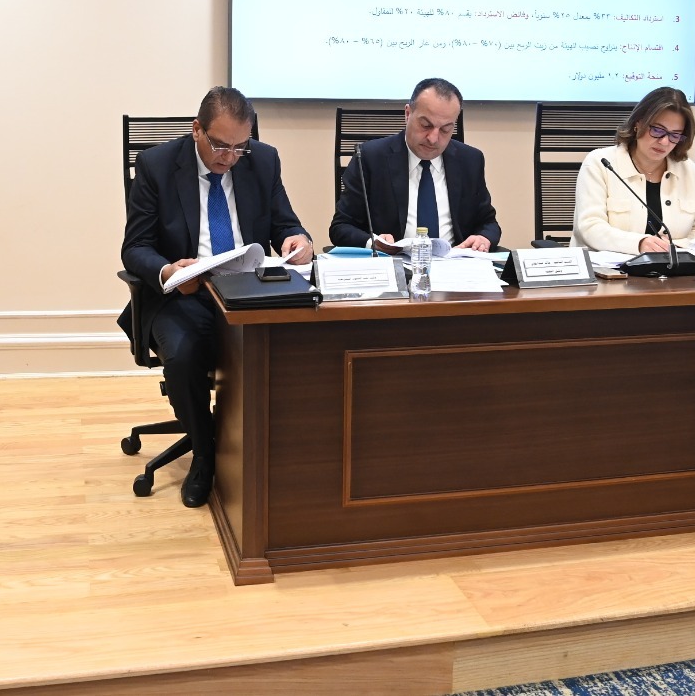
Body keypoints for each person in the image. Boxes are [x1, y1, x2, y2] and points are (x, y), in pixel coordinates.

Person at [120, 87, 313, 508]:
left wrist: (299, 239)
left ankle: (284, 452)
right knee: (184, 354)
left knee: (302, 340)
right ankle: (206, 454)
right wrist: (170, 271)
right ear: (197, 130)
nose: (229, 157)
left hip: (247, 290)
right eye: (220, 145)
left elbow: (285, 223)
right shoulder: (156, 165)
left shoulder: (263, 160)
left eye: (240, 147)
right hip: (185, 295)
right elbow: (135, 248)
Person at [329, 78, 501, 252]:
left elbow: (488, 223)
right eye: (426, 125)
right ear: (408, 114)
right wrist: (373, 242)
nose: (433, 138)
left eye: (445, 129)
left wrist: (484, 238)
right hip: (393, 263)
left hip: (454, 263)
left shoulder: (470, 160)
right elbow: (341, 227)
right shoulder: (370, 158)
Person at [573, 85, 695, 253]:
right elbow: (590, 227)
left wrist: (672, 247)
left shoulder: (688, 170)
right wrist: (639, 243)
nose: (664, 142)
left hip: (673, 266)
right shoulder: (600, 163)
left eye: (674, 135)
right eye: (657, 130)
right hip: (608, 267)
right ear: (638, 123)